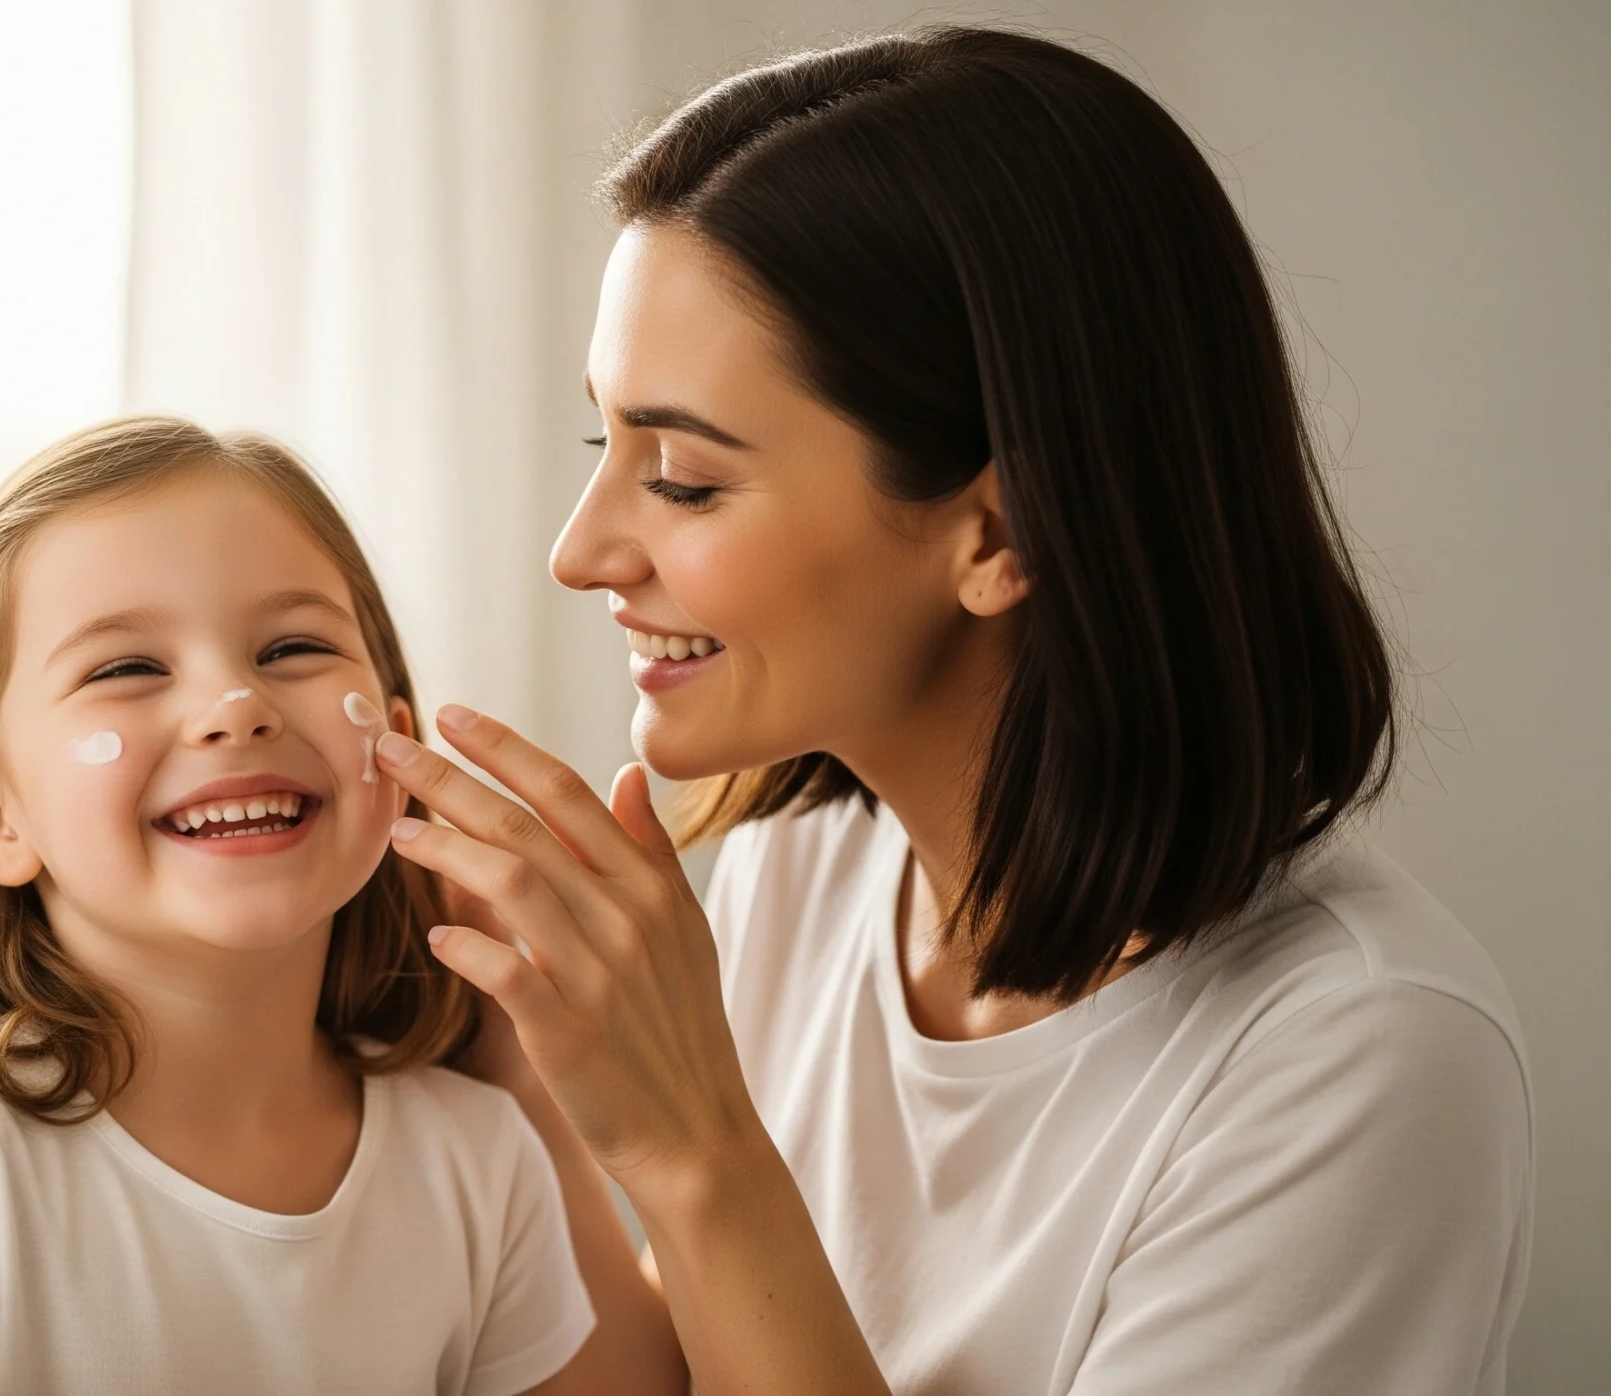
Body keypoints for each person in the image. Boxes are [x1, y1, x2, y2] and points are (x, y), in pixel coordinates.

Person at [373, 27, 1533, 1396]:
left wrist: (699, 1153)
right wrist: (519, 1069)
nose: (581, 550)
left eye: (681, 477)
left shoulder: (1358, 1057)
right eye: (602, 444)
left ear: (1000, 532)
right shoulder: (800, 879)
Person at [0, 416, 597, 1394]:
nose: (236, 703)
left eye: (292, 646)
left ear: (396, 755)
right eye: (126, 668)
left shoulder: (481, 1158)